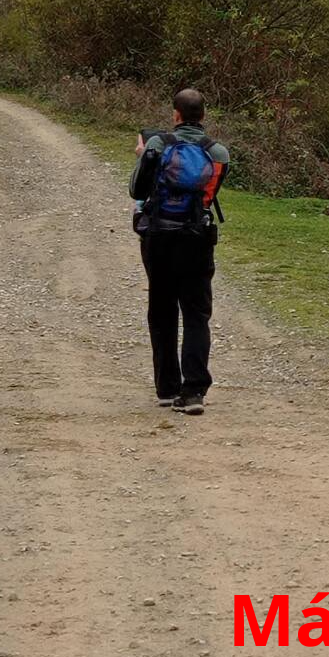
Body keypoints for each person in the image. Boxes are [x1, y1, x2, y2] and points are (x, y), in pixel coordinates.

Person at [129, 88, 230, 415]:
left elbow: (137, 189)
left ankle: (167, 389)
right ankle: (194, 391)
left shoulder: (157, 145)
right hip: (198, 238)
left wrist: (141, 156)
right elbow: (209, 193)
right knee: (197, 314)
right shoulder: (219, 153)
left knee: (162, 310)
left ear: (175, 115)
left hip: (159, 237)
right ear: (203, 116)